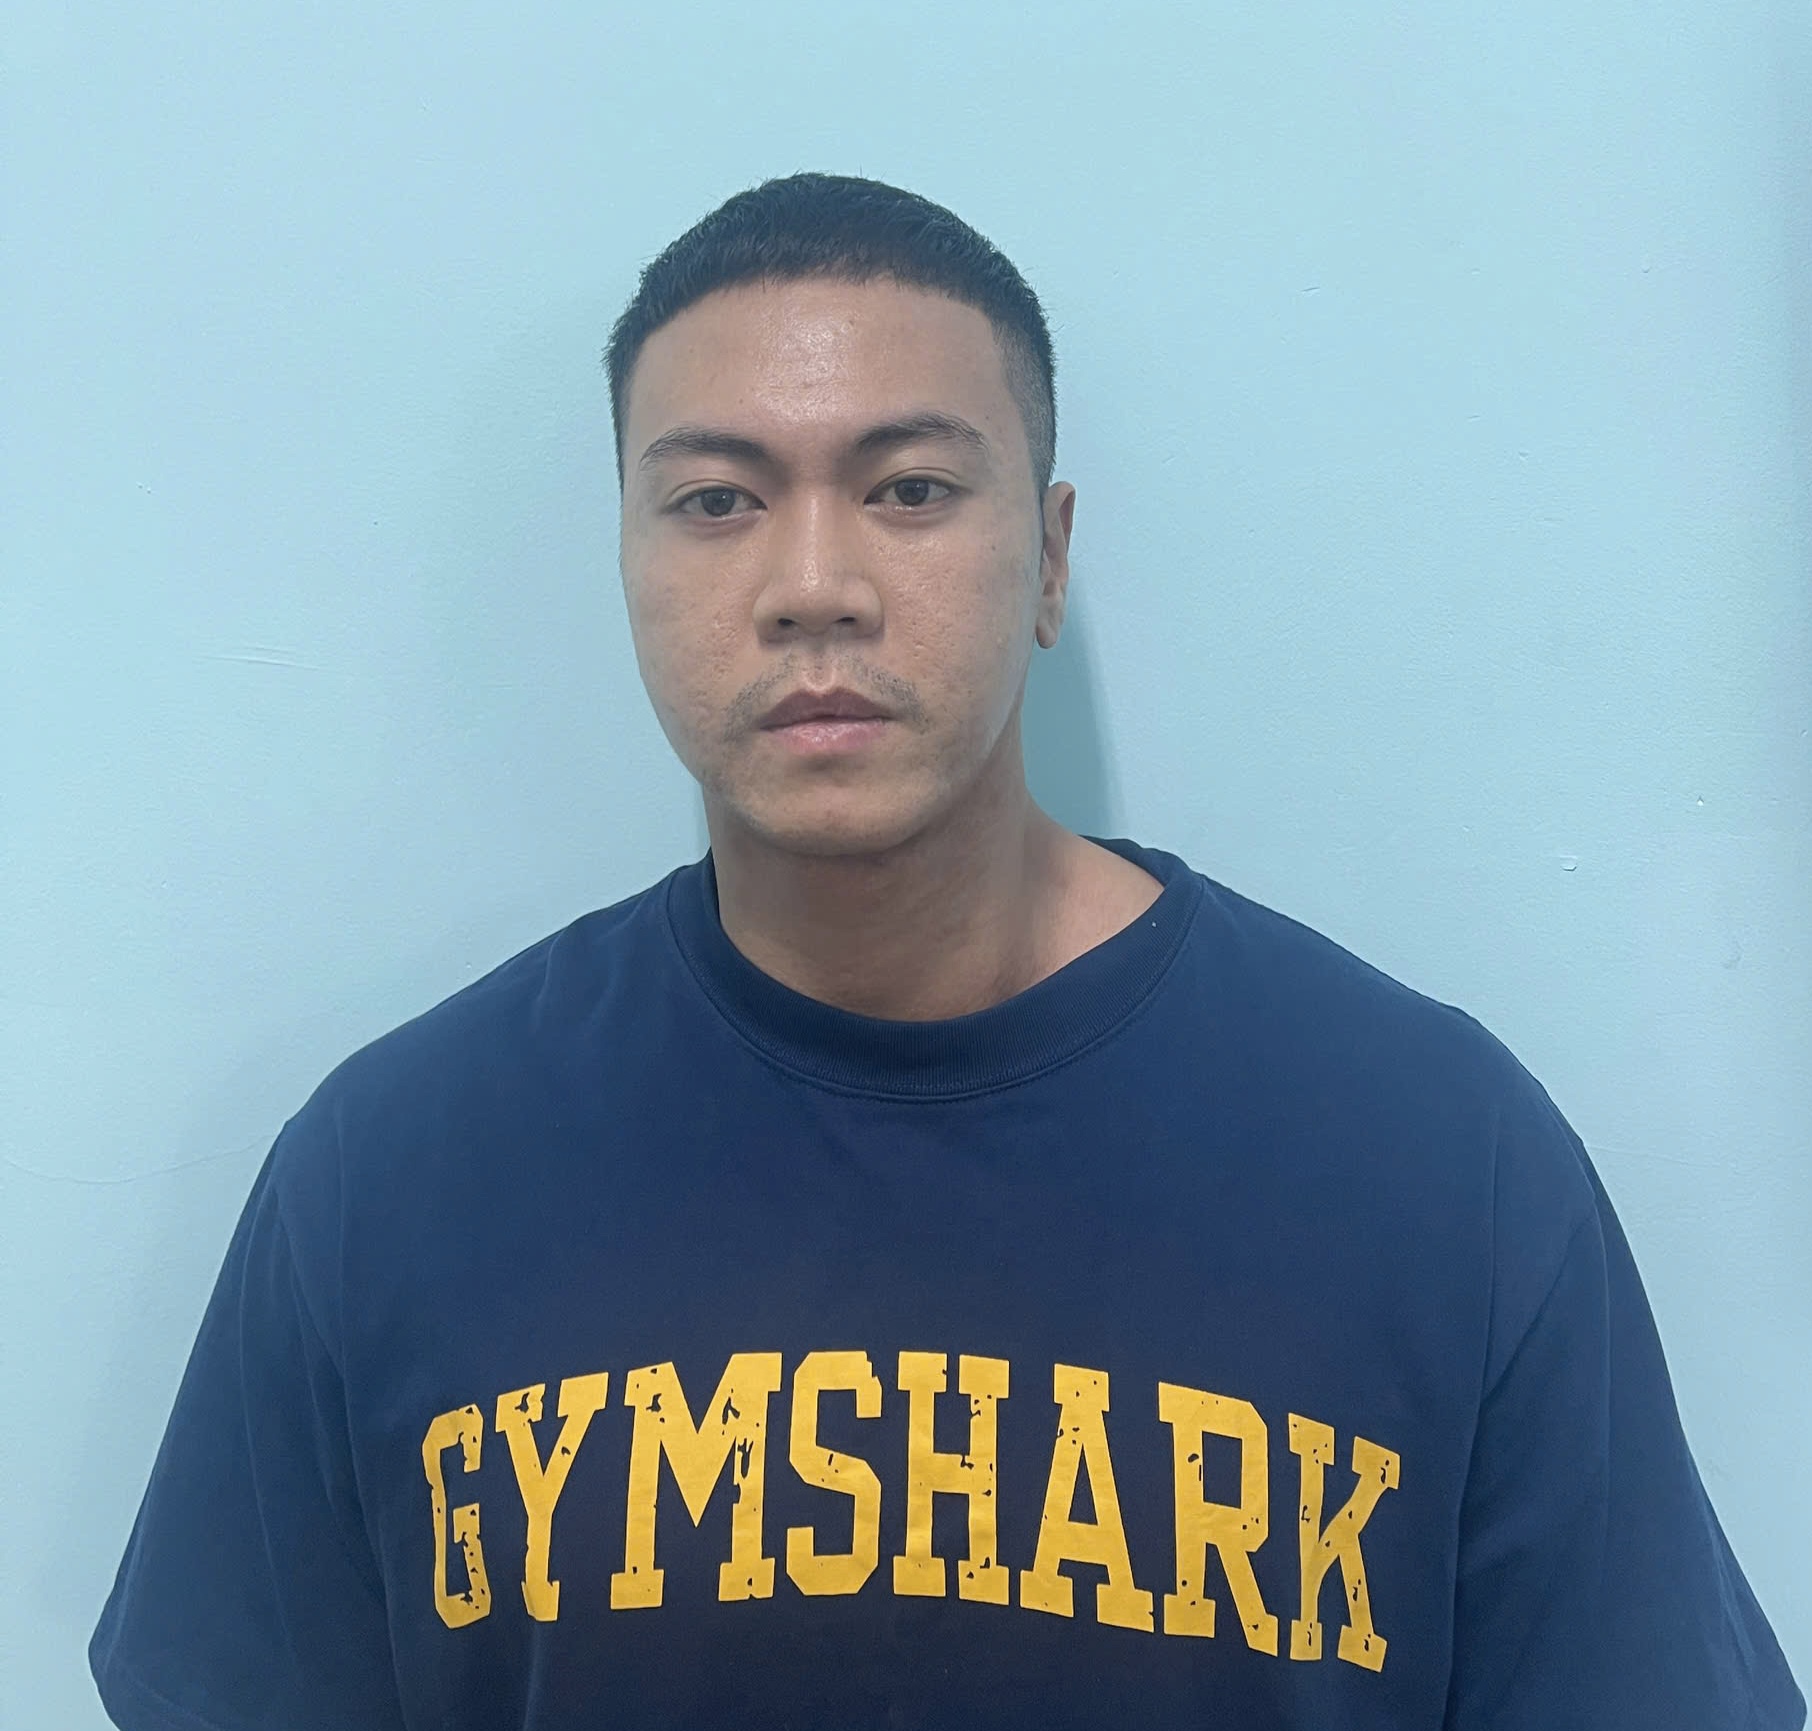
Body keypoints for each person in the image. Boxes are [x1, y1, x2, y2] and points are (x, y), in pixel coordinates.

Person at [90, 171, 1803, 1731]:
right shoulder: (393, 1176)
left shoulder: (1435, 1157)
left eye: (909, 489)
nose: (813, 583)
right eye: (715, 500)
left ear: (1048, 559)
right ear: (625, 558)